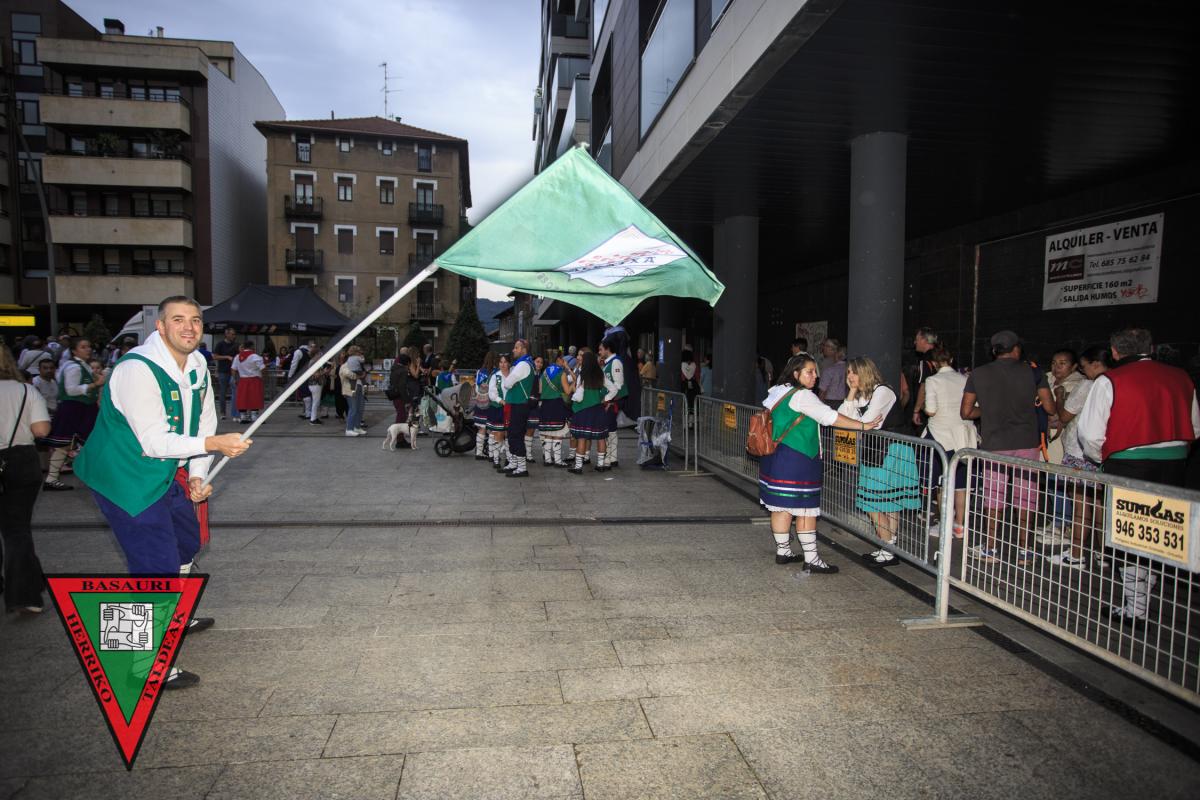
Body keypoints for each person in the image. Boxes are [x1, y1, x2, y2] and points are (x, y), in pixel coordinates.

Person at [74, 296, 253, 689]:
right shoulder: (136, 369)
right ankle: (140, 665)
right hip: (123, 476)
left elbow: (204, 418)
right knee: (154, 566)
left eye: (195, 320)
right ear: (160, 326)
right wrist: (214, 444)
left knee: (187, 542)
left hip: (165, 471)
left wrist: (198, 474)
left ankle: (174, 614)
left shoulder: (198, 364)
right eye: (178, 319)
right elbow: (154, 442)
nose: (189, 327)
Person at [1077, 328, 1200, 625]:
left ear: (1114, 352)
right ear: (1151, 348)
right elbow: (1194, 427)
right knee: (1159, 529)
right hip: (1174, 464)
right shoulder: (1181, 377)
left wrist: (1104, 459)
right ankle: (1143, 596)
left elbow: (1090, 435)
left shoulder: (1109, 381)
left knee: (1129, 532)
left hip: (1128, 464)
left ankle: (1136, 607)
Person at [759, 353, 882, 571]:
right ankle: (812, 559)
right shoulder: (802, 395)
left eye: (815, 371)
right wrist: (862, 425)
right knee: (806, 509)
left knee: (781, 508)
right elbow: (829, 417)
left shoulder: (778, 391)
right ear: (796, 373)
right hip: (799, 458)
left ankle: (783, 551)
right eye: (809, 372)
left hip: (776, 456)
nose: (815, 376)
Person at [959, 330, 1056, 564]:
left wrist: (988, 410)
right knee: (1026, 497)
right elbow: (1050, 407)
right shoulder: (1033, 372)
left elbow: (966, 412)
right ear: (1016, 349)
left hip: (995, 443)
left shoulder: (979, 373)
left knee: (993, 496)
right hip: (1027, 442)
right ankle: (1025, 550)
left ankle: (991, 548)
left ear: (994, 351)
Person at [837, 356, 920, 567]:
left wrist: (855, 422)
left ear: (865, 372)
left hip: (892, 450)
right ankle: (888, 548)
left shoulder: (883, 391)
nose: (850, 376)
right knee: (885, 502)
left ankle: (888, 548)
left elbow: (866, 423)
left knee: (876, 502)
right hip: (877, 450)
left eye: (854, 372)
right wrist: (852, 393)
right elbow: (842, 417)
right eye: (848, 372)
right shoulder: (862, 394)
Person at [0, 345, 51, 614]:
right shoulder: (26, 391)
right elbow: (41, 429)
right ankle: (24, 594)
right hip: (20, 459)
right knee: (17, 529)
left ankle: (25, 583)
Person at [1046, 345, 1107, 570]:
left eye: (1083, 367)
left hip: (1080, 450)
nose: (1083, 371)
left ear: (1095, 365)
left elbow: (1064, 416)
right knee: (1099, 503)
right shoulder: (1115, 383)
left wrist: (1061, 397)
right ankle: (1104, 554)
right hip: (1104, 450)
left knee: (1081, 503)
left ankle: (1076, 554)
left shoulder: (1087, 385)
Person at [921, 346, 977, 540]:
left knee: (942, 482)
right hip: (963, 436)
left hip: (940, 436)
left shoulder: (933, 380)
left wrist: (923, 409)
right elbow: (974, 406)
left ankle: (944, 524)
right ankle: (960, 525)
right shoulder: (965, 379)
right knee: (961, 482)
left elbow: (930, 410)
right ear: (951, 360)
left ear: (933, 363)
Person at [43, 337, 106, 491]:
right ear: (74, 351)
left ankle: (53, 478)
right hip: (75, 408)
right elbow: (71, 390)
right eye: (83, 347)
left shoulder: (80, 365)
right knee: (68, 444)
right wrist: (95, 384)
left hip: (81, 408)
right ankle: (53, 478)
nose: (88, 349)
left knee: (72, 444)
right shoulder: (74, 367)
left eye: (89, 346)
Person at [568, 350, 609, 474]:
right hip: (597, 410)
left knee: (582, 438)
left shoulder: (583, 374)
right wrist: (603, 399)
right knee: (601, 438)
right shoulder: (600, 374)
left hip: (583, 410)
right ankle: (600, 465)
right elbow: (611, 389)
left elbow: (578, 392)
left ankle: (578, 467)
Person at [501, 339, 535, 477]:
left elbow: (507, 383)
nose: (513, 350)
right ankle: (514, 463)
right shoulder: (524, 363)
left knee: (516, 435)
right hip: (518, 403)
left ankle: (522, 468)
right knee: (513, 434)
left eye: (516, 347)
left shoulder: (522, 364)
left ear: (523, 349)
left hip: (519, 404)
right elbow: (509, 383)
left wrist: (510, 382)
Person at [538, 352, 572, 466]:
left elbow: (540, 390)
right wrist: (573, 384)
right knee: (558, 432)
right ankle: (557, 461)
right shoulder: (561, 373)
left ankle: (547, 460)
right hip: (556, 404)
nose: (564, 362)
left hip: (545, 404)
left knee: (548, 431)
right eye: (563, 359)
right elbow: (567, 391)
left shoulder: (544, 372)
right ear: (558, 360)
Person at [599, 337, 626, 469]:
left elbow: (618, 385)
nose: (599, 352)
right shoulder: (608, 363)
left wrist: (608, 400)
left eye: (601, 349)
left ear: (607, 349)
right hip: (609, 401)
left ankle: (610, 458)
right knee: (611, 428)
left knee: (609, 429)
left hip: (612, 401)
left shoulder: (615, 362)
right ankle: (612, 457)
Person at [910, 327, 941, 429]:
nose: (915, 342)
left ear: (924, 340)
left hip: (930, 408)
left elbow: (924, 385)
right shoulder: (943, 356)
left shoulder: (925, 360)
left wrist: (916, 410)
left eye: (917, 339)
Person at [472, 352, 498, 460]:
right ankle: (491, 454)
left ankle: (479, 453)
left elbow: (476, 388)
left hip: (480, 402)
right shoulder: (496, 372)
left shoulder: (480, 371)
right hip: (491, 404)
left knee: (481, 429)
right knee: (491, 429)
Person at [233, 341, 265, 424]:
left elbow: (233, 369)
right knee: (255, 397)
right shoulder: (255, 357)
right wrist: (263, 377)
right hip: (254, 379)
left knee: (242, 398)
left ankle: (243, 416)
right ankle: (254, 416)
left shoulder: (237, 356)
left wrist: (235, 379)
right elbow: (262, 368)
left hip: (243, 379)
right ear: (252, 347)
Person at [212, 328, 239, 420]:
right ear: (226, 334)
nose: (234, 336)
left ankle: (235, 413)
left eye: (234, 334)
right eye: (232, 334)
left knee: (235, 392)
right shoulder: (220, 344)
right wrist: (226, 357)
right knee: (223, 392)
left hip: (234, 371)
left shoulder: (236, 345)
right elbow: (215, 356)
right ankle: (222, 413)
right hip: (223, 371)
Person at [488, 354, 509, 469]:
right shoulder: (495, 376)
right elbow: (491, 393)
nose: (503, 364)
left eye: (505, 362)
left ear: (509, 363)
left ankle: (509, 459)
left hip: (511, 408)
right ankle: (496, 460)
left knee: (509, 434)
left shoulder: (513, 375)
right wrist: (501, 401)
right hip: (498, 408)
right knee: (498, 433)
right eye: (501, 362)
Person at [340, 345, 367, 436]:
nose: (360, 354)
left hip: (359, 388)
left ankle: (357, 427)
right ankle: (349, 429)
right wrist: (359, 376)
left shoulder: (358, 364)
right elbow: (347, 374)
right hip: (350, 390)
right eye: (359, 352)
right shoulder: (345, 365)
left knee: (360, 409)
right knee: (353, 409)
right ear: (354, 353)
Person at [524, 355, 544, 464]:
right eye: (537, 361)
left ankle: (529, 454)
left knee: (533, 429)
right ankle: (526, 453)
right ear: (533, 362)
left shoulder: (541, 375)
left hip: (537, 405)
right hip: (527, 404)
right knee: (528, 429)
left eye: (541, 362)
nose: (539, 364)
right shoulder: (528, 373)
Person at [817, 338, 847, 407]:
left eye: (827, 346)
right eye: (824, 345)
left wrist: (819, 405)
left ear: (835, 350)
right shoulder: (847, 366)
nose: (824, 348)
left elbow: (823, 389)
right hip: (843, 400)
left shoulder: (828, 366)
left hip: (830, 401)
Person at [681, 349, 701, 421]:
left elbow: (681, 377)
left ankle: (685, 422)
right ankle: (691, 422)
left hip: (684, 387)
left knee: (685, 404)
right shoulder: (694, 365)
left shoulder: (681, 365)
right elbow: (698, 377)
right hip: (693, 387)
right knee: (692, 405)